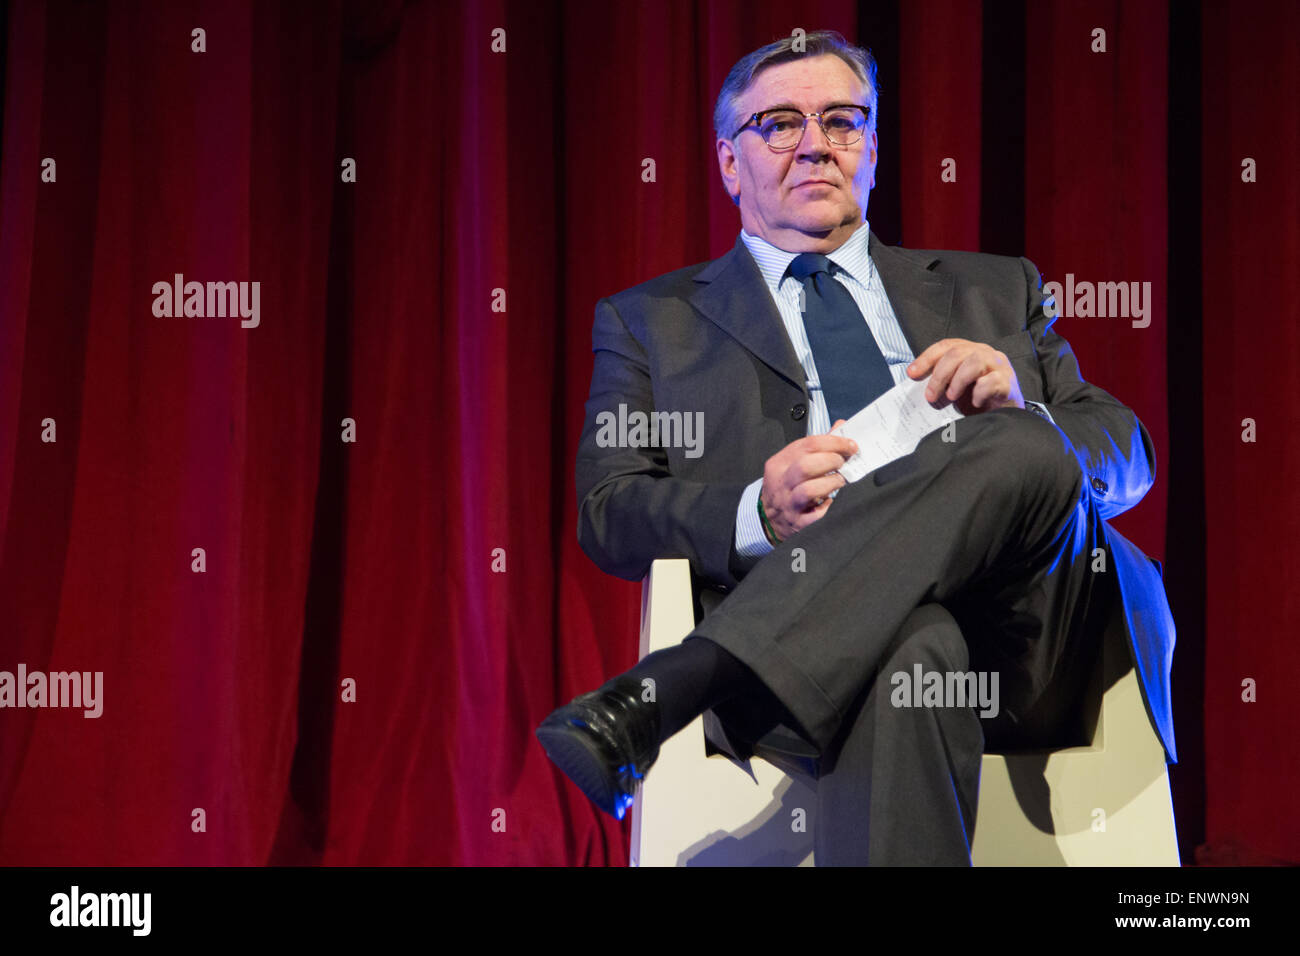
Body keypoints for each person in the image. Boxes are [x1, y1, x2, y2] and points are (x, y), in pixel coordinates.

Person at [536, 30, 1175, 865]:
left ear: (872, 149)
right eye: (778, 124)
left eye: (841, 120)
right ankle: (697, 677)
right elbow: (607, 508)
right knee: (915, 646)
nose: (814, 144)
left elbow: (1128, 451)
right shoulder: (652, 323)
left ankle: (673, 687)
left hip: (1030, 637)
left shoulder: (994, 288)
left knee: (1024, 440)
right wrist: (755, 510)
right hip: (824, 649)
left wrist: (1028, 407)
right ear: (729, 163)